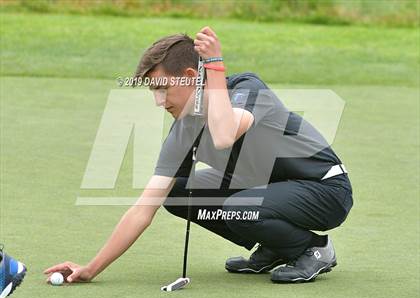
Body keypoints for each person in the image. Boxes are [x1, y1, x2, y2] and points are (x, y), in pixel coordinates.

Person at [44, 26, 353, 284]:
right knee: (179, 192)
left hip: (325, 189)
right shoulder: (183, 128)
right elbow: (143, 209)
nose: (157, 101)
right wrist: (91, 268)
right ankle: (278, 245)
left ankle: (313, 248)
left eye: (162, 88)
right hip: (270, 192)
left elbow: (223, 134)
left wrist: (215, 66)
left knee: (239, 206)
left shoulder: (247, 90)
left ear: (191, 75)